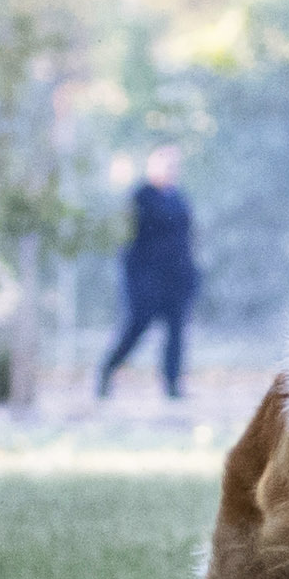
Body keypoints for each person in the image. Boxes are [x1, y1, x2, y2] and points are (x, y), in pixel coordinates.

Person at [97, 143, 200, 401]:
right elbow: (128, 242)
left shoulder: (179, 198)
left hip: (176, 281)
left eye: (175, 165)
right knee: (135, 330)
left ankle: (173, 386)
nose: (172, 170)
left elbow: (187, 239)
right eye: (166, 164)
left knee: (176, 334)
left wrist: (191, 275)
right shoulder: (140, 197)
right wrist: (137, 282)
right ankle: (107, 370)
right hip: (146, 281)